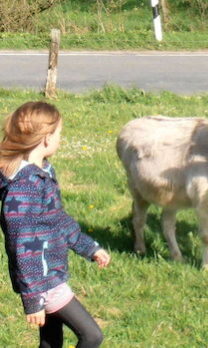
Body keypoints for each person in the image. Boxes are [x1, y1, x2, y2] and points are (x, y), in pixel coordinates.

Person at [0, 101, 111, 347]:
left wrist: (89, 247)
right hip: (44, 283)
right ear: (47, 139)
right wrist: (33, 300)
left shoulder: (43, 173)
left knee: (51, 342)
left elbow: (57, 219)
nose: (61, 139)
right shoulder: (25, 188)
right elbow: (23, 247)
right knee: (92, 335)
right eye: (60, 134)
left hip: (50, 275)